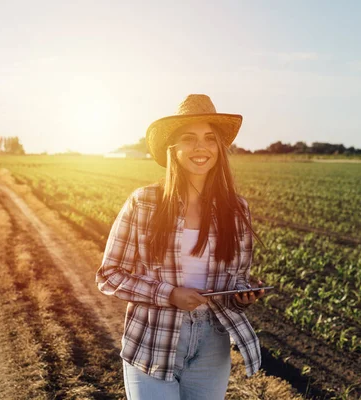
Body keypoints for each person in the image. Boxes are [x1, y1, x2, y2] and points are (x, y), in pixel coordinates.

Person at [95, 94, 267, 400]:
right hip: (153, 339)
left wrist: (243, 295)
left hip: (212, 344)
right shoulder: (144, 202)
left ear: (219, 149)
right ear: (172, 149)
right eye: (189, 139)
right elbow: (109, 274)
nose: (201, 148)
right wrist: (170, 294)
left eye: (209, 139)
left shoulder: (236, 209)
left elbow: (237, 278)